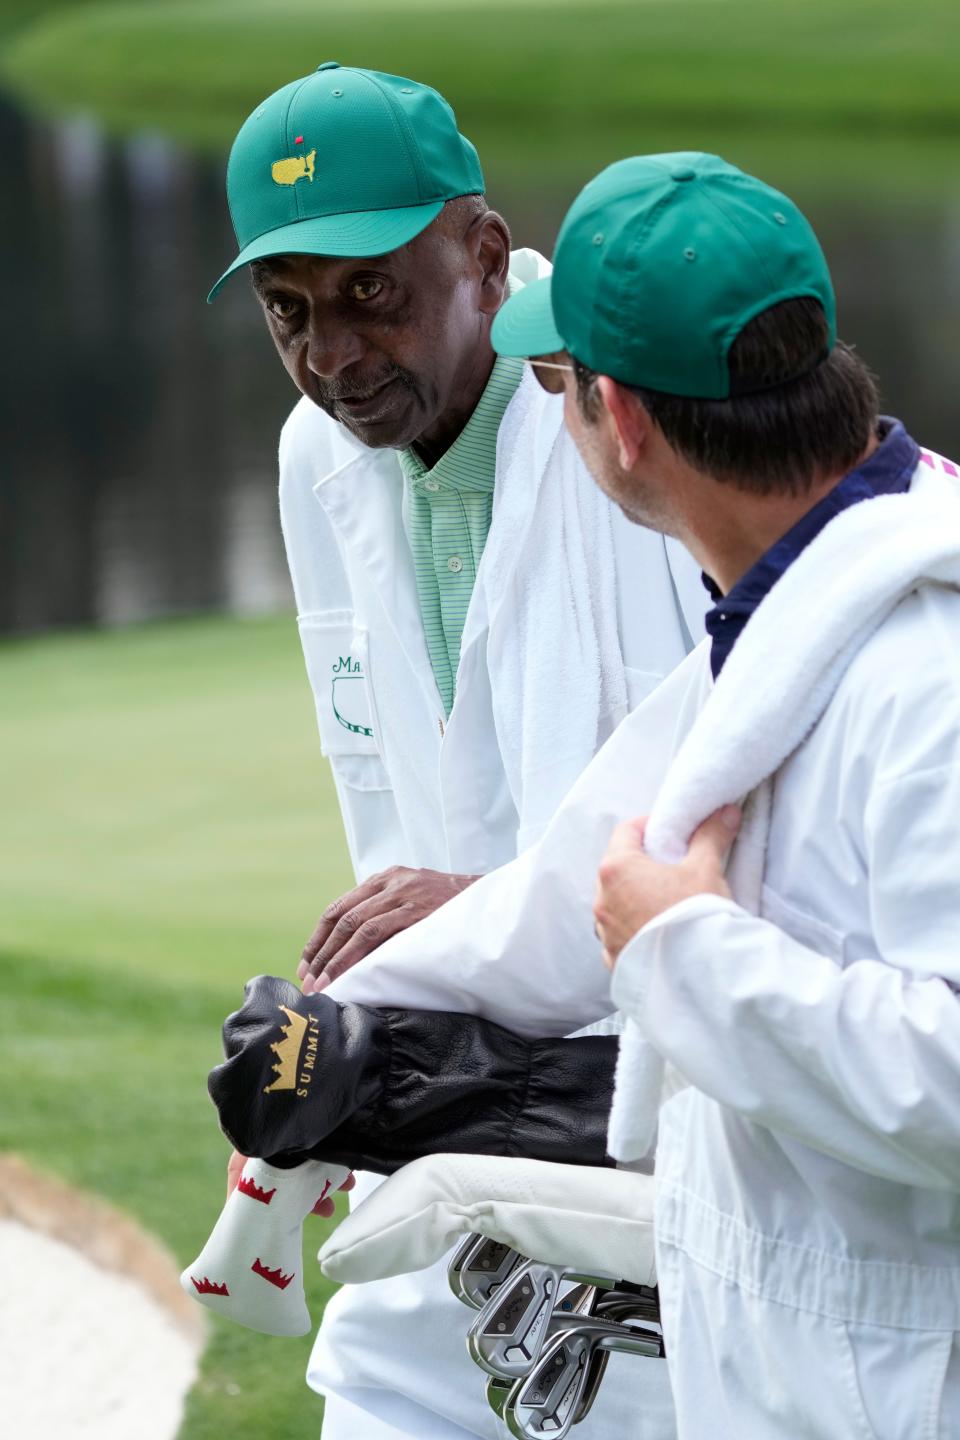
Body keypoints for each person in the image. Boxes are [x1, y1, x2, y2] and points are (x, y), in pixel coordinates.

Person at [313, 153, 960, 1438]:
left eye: (551, 384)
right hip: (796, 1368)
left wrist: (682, 952)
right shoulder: (780, 616)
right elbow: (572, 886)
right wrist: (345, 1025)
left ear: (619, 419)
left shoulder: (925, 671)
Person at [209, 64, 703, 1440]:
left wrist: (486, 909)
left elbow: (729, 783)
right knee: (374, 1390)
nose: (334, 354)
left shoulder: (623, 414)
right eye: (289, 311)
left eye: (374, 291)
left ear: (484, 255)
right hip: (434, 1068)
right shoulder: (317, 451)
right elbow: (385, 779)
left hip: (647, 1081)